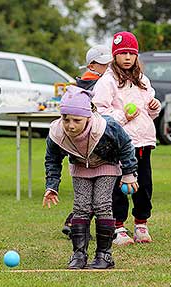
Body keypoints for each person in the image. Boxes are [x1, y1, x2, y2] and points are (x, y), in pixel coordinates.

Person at [43, 85, 138, 269]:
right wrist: (51, 186)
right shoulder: (56, 132)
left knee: (101, 204)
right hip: (80, 167)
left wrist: (129, 173)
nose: (70, 125)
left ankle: (104, 256)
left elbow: (126, 146)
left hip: (106, 165)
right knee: (81, 207)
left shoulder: (106, 127)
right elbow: (52, 160)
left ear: (88, 116)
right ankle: (78, 255)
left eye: (76, 120)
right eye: (66, 119)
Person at [92, 31, 161, 245]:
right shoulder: (107, 82)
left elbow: (149, 108)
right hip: (119, 145)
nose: (128, 58)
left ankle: (141, 223)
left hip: (143, 143)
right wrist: (123, 116)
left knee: (144, 186)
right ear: (115, 56)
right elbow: (101, 113)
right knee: (118, 187)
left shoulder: (142, 80)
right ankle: (118, 227)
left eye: (132, 53)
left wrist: (154, 107)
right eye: (123, 53)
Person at [62, 44, 113, 237]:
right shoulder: (93, 84)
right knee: (100, 192)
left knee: (94, 193)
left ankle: (75, 222)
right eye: (104, 64)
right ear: (91, 65)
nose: (108, 67)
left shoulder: (82, 84)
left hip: (91, 141)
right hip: (96, 141)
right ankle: (78, 222)